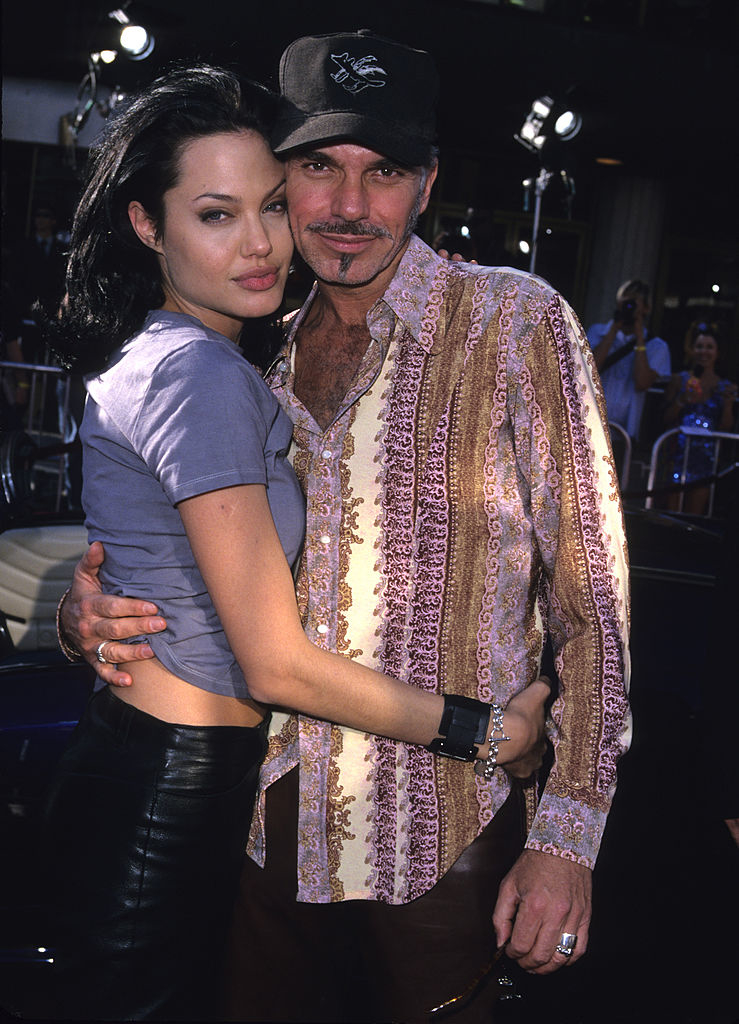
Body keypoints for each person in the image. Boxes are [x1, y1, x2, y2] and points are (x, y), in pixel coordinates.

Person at [59, 32, 630, 1023]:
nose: (349, 206)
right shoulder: (253, 342)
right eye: (317, 167)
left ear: (429, 181)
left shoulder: (513, 322)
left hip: (439, 843)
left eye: (386, 170)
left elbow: (594, 603)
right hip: (257, 837)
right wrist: (91, 610)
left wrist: (564, 842)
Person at [662, 320, 737, 514]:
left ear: (718, 352)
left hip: (705, 459)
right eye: (700, 346)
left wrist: (728, 405)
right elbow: (665, 418)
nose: (704, 352)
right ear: (692, 350)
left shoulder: (724, 386)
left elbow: (726, 428)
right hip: (678, 454)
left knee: (693, 517)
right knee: (673, 516)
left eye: (709, 347)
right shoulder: (680, 380)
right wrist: (682, 400)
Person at [587, 278, 671, 441]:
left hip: (625, 433)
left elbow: (642, 382)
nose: (628, 307)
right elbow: (590, 369)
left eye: (634, 303)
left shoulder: (656, 346)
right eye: (625, 302)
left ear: (646, 309)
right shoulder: (597, 332)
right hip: (591, 424)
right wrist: (614, 330)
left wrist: (640, 338)